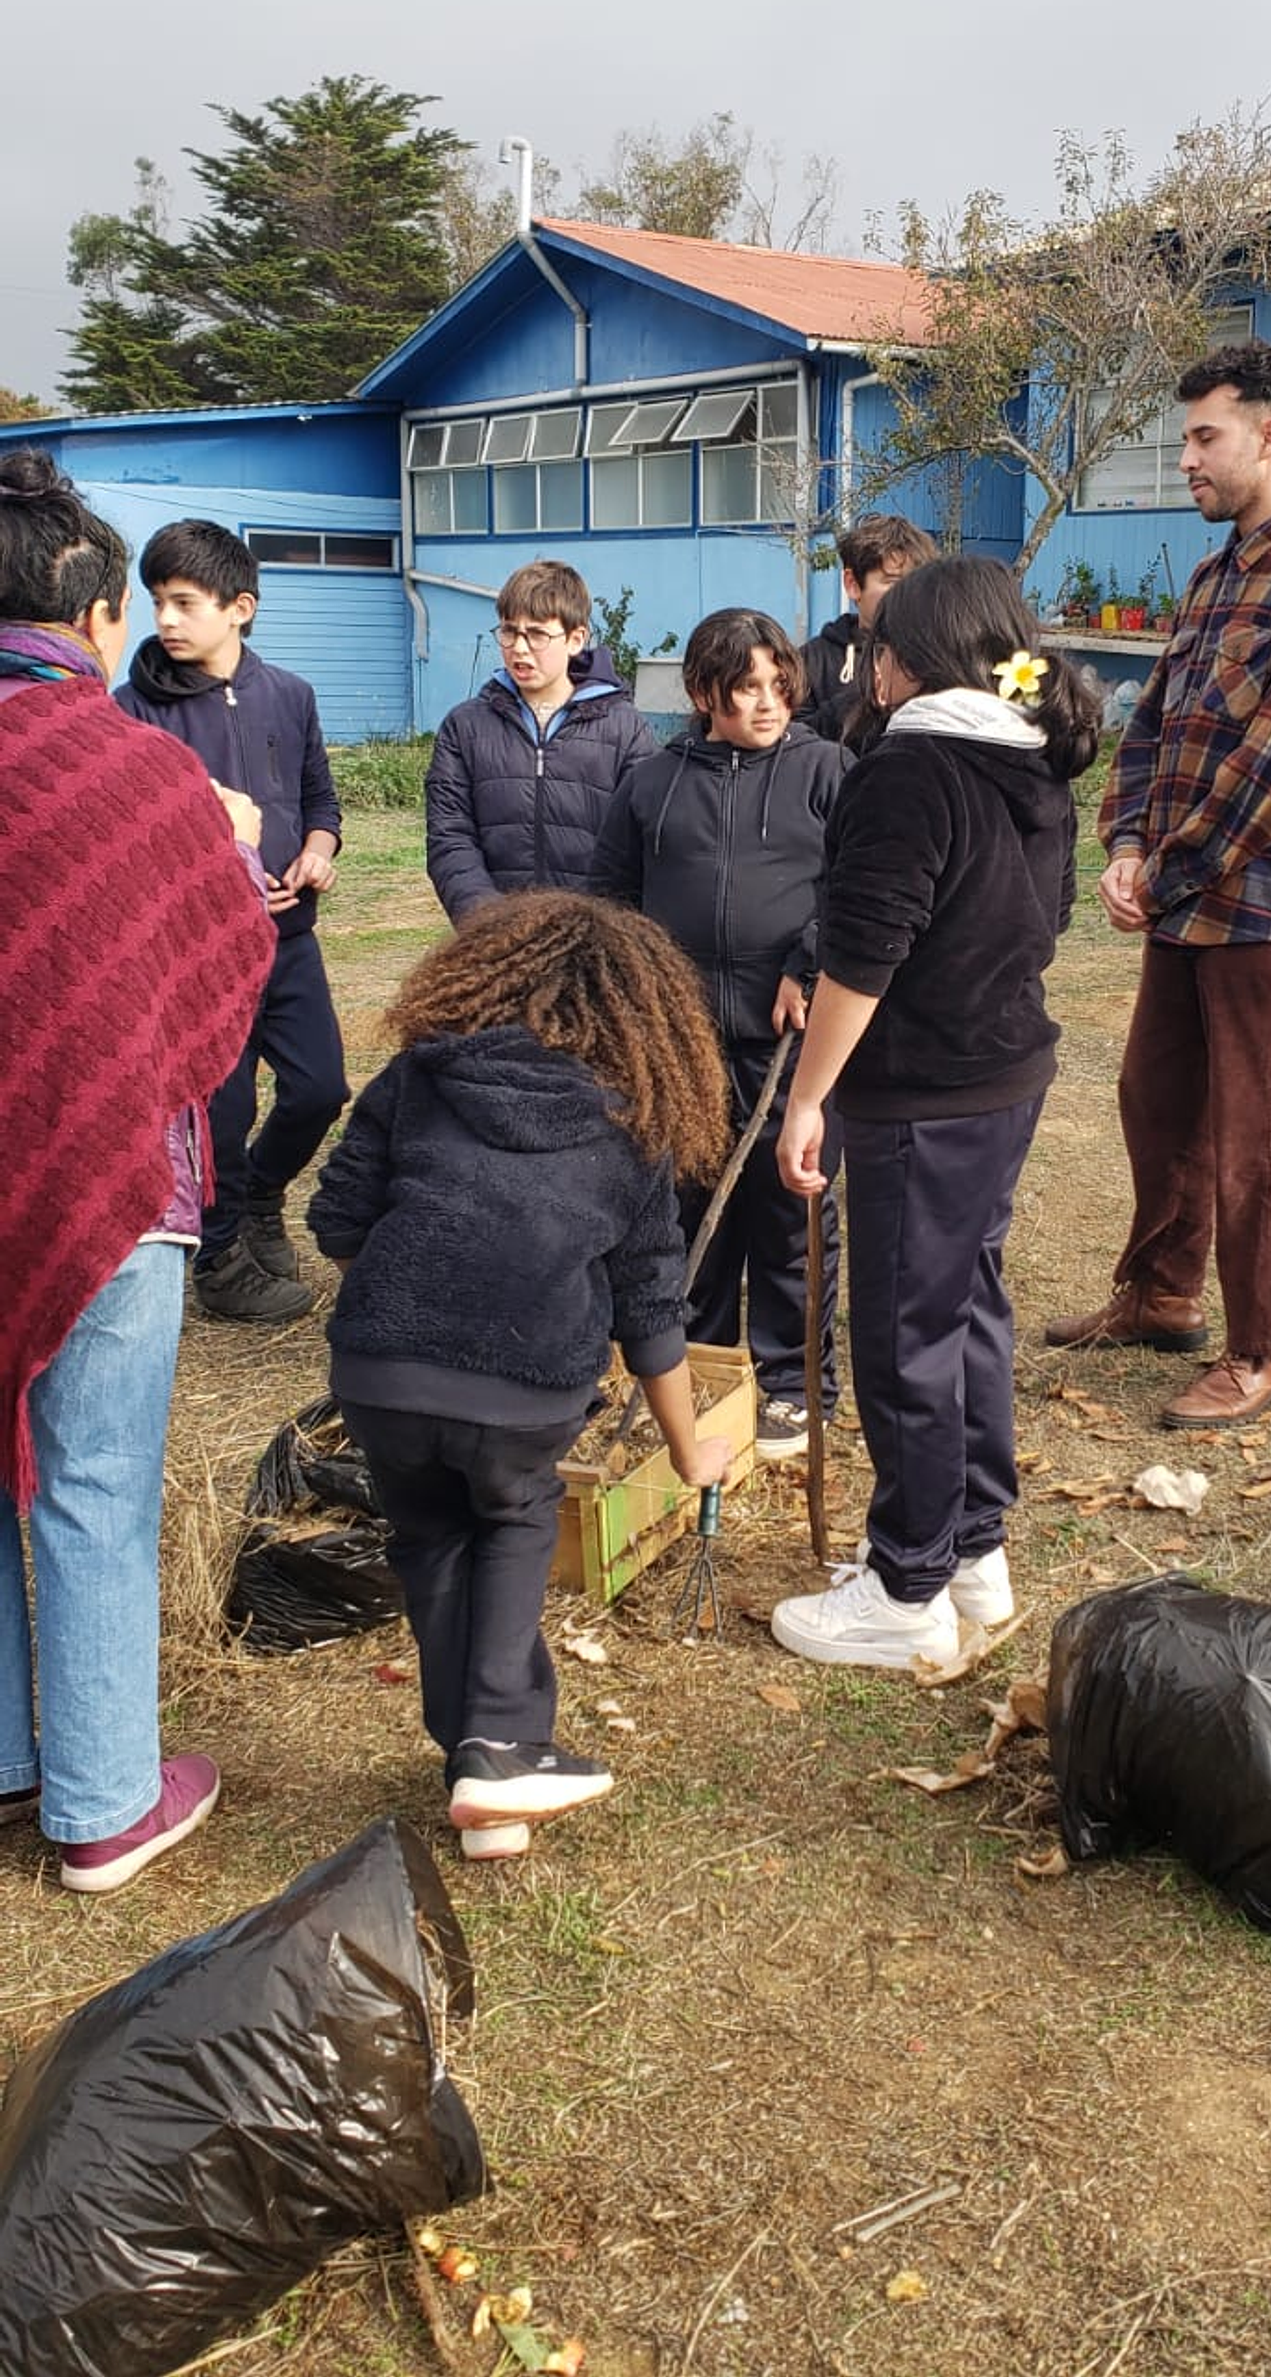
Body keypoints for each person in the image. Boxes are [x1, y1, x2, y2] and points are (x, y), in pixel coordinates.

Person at [307, 891, 732, 1863]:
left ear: (480, 975)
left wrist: (403, 1325)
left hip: (380, 1377)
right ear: (645, 1013)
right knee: (510, 1521)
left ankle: (479, 1771)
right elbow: (652, 1314)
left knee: (431, 1540)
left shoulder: (420, 1074)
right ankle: (500, 1743)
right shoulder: (635, 1121)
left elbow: (337, 1222)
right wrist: (688, 1447)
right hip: (522, 1393)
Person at [0, 450, 275, 1891]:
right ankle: (104, 1796)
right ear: (98, 616)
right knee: (97, 1476)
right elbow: (226, 958)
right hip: (106, 1173)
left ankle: (8, 1757)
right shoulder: (141, 767)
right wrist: (226, 848)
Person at [1045, 342, 1271, 1429]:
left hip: (1266, 902)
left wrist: (1171, 864)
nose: (1184, 458)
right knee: (1158, 1097)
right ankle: (1160, 1294)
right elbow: (1153, 726)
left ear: (1268, 437)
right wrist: (1130, 841)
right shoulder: (1217, 573)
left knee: (1261, 1125)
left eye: (1203, 437)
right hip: (1188, 894)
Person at [772, 557, 1101, 1670]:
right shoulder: (1033, 754)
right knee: (968, 1311)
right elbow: (1049, 919)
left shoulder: (913, 765)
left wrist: (808, 1095)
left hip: (927, 1092)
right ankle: (973, 1551)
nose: (866, 665)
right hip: (1005, 1073)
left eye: (875, 646)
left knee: (912, 1331)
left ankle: (908, 1582)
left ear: (901, 660)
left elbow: (861, 956)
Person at [591, 608, 849, 1461]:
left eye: (781, 686)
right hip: (686, 1040)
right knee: (689, 1207)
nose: (769, 704)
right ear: (705, 692)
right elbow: (613, 897)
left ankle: (792, 1384)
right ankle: (700, 1369)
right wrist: (642, 997)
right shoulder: (654, 782)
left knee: (787, 1208)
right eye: (747, 689)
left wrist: (808, 964)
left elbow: (857, 887)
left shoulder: (828, 771)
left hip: (789, 1039)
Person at [115, 519, 348, 1324]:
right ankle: (218, 1262)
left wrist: (320, 848)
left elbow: (321, 800)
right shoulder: (133, 712)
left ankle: (259, 1198)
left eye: (185, 601)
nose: (166, 620)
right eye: (156, 602)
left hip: (288, 941)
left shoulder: (291, 694)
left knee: (321, 1087)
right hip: (199, 958)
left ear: (240, 607)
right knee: (219, 1110)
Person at [425, 559, 654, 923]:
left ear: (576, 639)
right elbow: (450, 837)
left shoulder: (625, 729)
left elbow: (639, 846)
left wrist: (599, 928)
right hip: (494, 940)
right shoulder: (464, 727)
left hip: (593, 939)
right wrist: (487, 920)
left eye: (537, 635)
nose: (519, 647)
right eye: (509, 631)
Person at [800, 512, 937, 747]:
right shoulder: (811, 660)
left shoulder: (939, 655)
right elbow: (791, 742)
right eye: (892, 582)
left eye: (915, 582)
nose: (907, 594)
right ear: (852, 584)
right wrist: (863, 701)